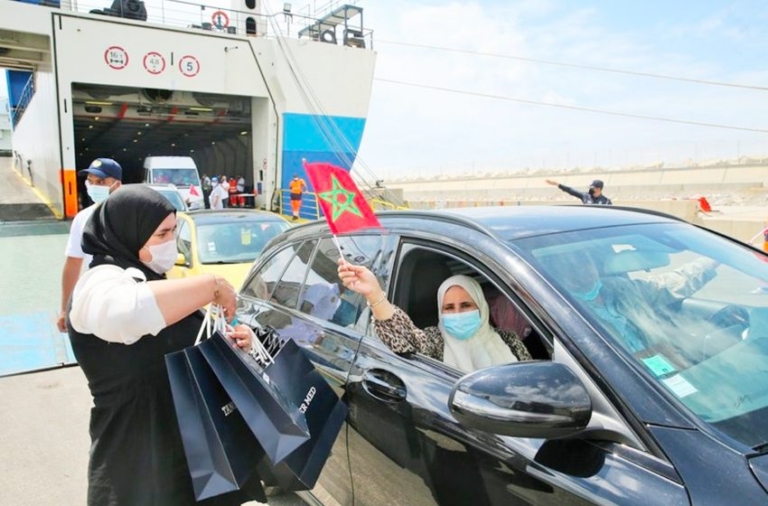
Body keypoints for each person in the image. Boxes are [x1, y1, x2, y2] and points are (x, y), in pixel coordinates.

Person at [66, 185, 259, 506]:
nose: (171, 243)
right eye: (162, 234)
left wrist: (231, 342)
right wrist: (211, 285)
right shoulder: (99, 282)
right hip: (139, 461)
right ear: (129, 233)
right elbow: (126, 314)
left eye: (174, 231)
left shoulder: (152, 278)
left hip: (194, 453)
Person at [338, 262, 531, 372]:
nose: (458, 313)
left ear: (481, 307)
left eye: (466, 305)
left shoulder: (509, 340)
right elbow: (404, 338)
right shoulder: (436, 341)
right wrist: (374, 294)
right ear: (440, 312)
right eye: (449, 308)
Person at [546, 248, 719, 355]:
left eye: (584, 262)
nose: (581, 271)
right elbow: (594, 366)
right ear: (556, 274)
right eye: (569, 267)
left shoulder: (621, 289)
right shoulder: (561, 311)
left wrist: (714, 258)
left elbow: (671, 283)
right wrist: (650, 354)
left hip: (666, 370)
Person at [57, 158, 123, 332]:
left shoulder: (133, 215)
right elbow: (73, 264)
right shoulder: (82, 218)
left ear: (117, 185)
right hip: (97, 298)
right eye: (90, 181)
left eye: (100, 182)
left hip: (131, 297)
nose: (93, 186)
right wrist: (65, 309)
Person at [545, 178, 612, 205]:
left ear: (599, 189)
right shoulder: (585, 196)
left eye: (593, 188)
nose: (591, 190)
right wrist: (557, 184)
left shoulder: (606, 201)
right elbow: (571, 190)